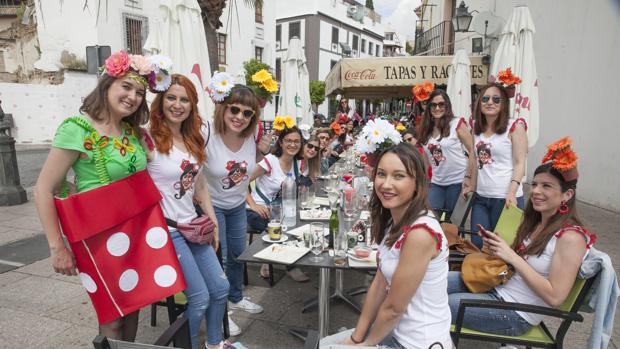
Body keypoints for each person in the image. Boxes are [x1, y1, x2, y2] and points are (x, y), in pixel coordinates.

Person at [33, 51, 173, 341]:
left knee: (133, 307)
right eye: (126, 86)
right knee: (111, 318)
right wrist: (57, 247)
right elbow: (43, 189)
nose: (133, 96)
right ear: (107, 84)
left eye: (139, 92)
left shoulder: (131, 132)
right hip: (98, 238)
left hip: (137, 231)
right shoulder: (76, 129)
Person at [448, 137, 596, 336]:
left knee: (435, 304)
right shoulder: (537, 222)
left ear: (567, 195)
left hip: (516, 313)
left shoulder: (571, 238)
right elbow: (518, 264)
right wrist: (497, 248)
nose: (535, 191)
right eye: (534, 184)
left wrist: (512, 257)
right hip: (496, 285)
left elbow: (555, 297)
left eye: (546, 186)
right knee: (431, 281)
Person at [320, 142, 452, 349]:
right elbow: (380, 284)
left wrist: (367, 344)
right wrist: (357, 337)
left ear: (417, 182)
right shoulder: (394, 220)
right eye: (381, 174)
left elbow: (393, 308)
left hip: (418, 342)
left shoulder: (420, 234)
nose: (386, 184)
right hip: (396, 332)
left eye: (398, 176)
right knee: (324, 343)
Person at [144, 74, 230, 349]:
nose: (177, 104)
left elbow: (200, 184)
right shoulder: (148, 139)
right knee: (200, 297)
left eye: (185, 99)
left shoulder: (193, 139)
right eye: (171, 97)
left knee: (221, 289)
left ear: (192, 105)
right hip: (168, 231)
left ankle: (214, 344)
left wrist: (213, 221)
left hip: (193, 228)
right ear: (160, 101)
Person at [202, 80, 271, 331]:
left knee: (237, 256)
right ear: (223, 108)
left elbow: (245, 175)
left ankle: (236, 297)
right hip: (213, 206)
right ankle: (220, 314)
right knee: (218, 260)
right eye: (234, 109)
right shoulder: (206, 132)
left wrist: (250, 201)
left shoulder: (251, 136)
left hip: (237, 206)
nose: (239, 117)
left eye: (247, 112)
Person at [246, 126, 310, 282]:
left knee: (301, 222)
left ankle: (275, 259)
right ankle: (284, 265)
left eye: (296, 141)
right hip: (257, 211)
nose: (293, 145)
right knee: (281, 227)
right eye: (288, 141)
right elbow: (241, 182)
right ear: (281, 143)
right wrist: (254, 204)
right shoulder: (270, 161)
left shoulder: (297, 164)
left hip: (280, 211)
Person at [470, 82, 527, 247]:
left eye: (496, 99)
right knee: (478, 244)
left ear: (504, 104)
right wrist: (470, 184)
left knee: (503, 249)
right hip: (481, 198)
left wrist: (512, 191)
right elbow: (474, 158)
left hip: (506, 199)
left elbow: (520, 163)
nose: (490, 102)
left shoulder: (515, 126)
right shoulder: (476, 128)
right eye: (485, 99)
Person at [418, 89, 475, 219]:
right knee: (430, 218)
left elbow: (473, 150)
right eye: (433, 105)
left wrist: (468, 177)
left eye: (441, 104)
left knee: (451, 223)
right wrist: (423, 182)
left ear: (447, 106)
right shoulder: (426, 129)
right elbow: (426, 159)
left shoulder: (456, 124)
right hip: (437, 183)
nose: (437, 108)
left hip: (457, 181)